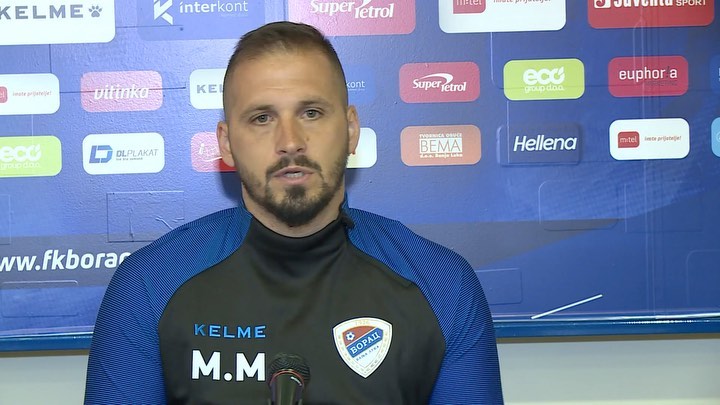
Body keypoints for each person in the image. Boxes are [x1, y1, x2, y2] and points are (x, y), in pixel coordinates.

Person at [85, 21, 504, 404]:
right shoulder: (149, 285)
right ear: (226, 144)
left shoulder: (443, 286)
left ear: (351, 130)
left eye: (311, 113)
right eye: (262, 117)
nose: (290, 141)